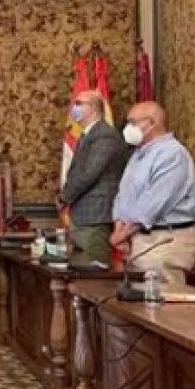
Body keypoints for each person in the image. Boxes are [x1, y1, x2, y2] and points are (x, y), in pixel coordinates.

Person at [110, 101, 195, 285]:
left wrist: (121, 235)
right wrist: (120, 229)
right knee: (138, 308)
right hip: (139, 241)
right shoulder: (138, 155)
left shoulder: (171, 154)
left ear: (151, 123)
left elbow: (152, 205)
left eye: (132, 122)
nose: (128, 128)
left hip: (165, 241)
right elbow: (123, 196)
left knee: (163, 307)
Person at [58, 91, 129, 264]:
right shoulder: (88, 134)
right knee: (81, 273)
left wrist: (64, 197)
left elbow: (89, 173)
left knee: (92, 275)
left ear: (93, 108)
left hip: (95, 215)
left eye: (79, 103)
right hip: (84, 215)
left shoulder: (104, 134)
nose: (73, 108)